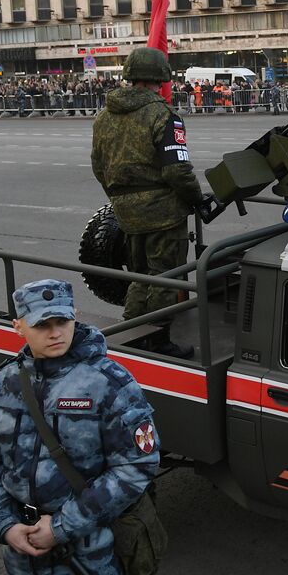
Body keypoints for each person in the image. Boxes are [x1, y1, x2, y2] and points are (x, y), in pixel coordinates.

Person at [0, 279, 159, 575]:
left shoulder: (108, 382)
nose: (55, 332)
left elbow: (136, 466)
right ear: (18, 327)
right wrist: (5, 525)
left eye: (62, 321)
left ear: (75, 316)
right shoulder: (2, 383)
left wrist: (60, 527)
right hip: (25, 564)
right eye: (42, 324)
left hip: (88, 562)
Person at [90, 47, 202, 358]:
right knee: (164, 276)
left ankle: (133, 332)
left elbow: (99, 167)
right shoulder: (163, 115)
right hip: (163, 212)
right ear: (160, 79)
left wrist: (120, 199)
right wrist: (196, 199)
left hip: (126, 211)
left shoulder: (104, 116)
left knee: (137, 275)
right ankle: (158, 340)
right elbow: (177, 169)